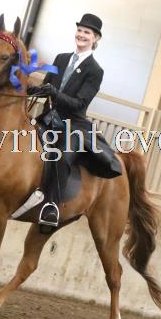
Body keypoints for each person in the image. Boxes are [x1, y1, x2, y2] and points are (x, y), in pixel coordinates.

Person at [26, 13, 106, 229]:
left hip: (71, 125)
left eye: (87, 32)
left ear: (96, 38)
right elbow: (45, 88)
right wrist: (26, 87)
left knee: (60, 156)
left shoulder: (95, 70)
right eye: (79, 30)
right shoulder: (61, 58)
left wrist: (55, 93)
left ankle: (51, 205)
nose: (81, 35)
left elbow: (79, 103)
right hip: (47, 119)